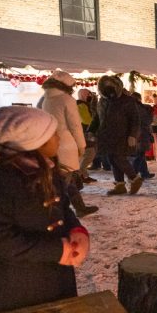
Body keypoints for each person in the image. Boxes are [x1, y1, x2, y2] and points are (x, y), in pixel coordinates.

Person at [0, 106, 89, 313]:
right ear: (34, 142)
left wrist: (77, 231)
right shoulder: (1, 181)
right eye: (53, 134)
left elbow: (62, 208)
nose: (59, 137)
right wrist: (56, 250)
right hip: (16, 284)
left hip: (52, 276)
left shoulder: (47, 171)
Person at [39, 70, 98, 216]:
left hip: (49, 141)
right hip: (65, 143)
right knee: (64, 180)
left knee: (66, 178)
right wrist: (81, 145)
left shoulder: (45, 98)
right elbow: (75, 125)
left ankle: (79, 207)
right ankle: (54, 212)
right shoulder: (67, 99)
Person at [96, 75, 143, 195]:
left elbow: (135, 120)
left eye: (110, 86)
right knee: (112, 158)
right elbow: (97, 118)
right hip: (106, 135)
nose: (108, 89)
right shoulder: (103, 101)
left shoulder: (127, 100)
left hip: (122, 135)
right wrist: (91, 131)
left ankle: (134, 178)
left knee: (118, 157)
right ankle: (120, 185)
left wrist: (133, 135)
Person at [131, 92, 155, 179]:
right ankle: (133, 175)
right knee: (140, 155)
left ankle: (144, 173)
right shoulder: (140, 108)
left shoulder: (134, 107)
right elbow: (147, 121)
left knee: (141, 155)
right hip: (141, 134)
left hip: (138, 134)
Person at [77, 88, 98, 183]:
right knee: (89, 154)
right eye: (87, 94)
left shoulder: (85, 105)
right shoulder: (81, 105)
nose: (89, 96)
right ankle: (80, 174)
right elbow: (87, 120)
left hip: (85, 133)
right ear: (81, 95)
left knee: (87, 154)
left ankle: (83, 175)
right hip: (86, 133)